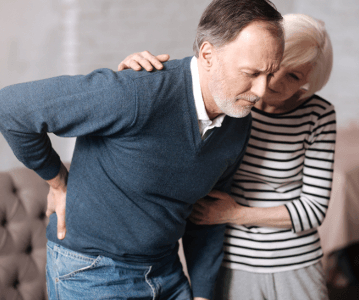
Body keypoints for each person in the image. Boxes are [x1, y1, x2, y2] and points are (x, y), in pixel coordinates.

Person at [0, 1, 284, 299]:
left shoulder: (238, 117)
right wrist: (57, 181)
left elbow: (208, 213)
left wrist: (203, 293)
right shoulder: (136, 91)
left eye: (270, 75)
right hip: (92, 273)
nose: (261, 92)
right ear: (208, 54)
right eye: (251, 73)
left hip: (166, 271)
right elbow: (10, 108)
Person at [118, 13, 335, 300]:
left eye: (294, 76)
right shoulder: (231, 102)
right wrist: (129, 76)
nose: (273, 83)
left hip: (296, 263)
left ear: (311, 79)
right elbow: (174, 106)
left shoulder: (318, 114)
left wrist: (235, 213)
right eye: (275, 67)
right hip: (232, 261)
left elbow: (314, 209)